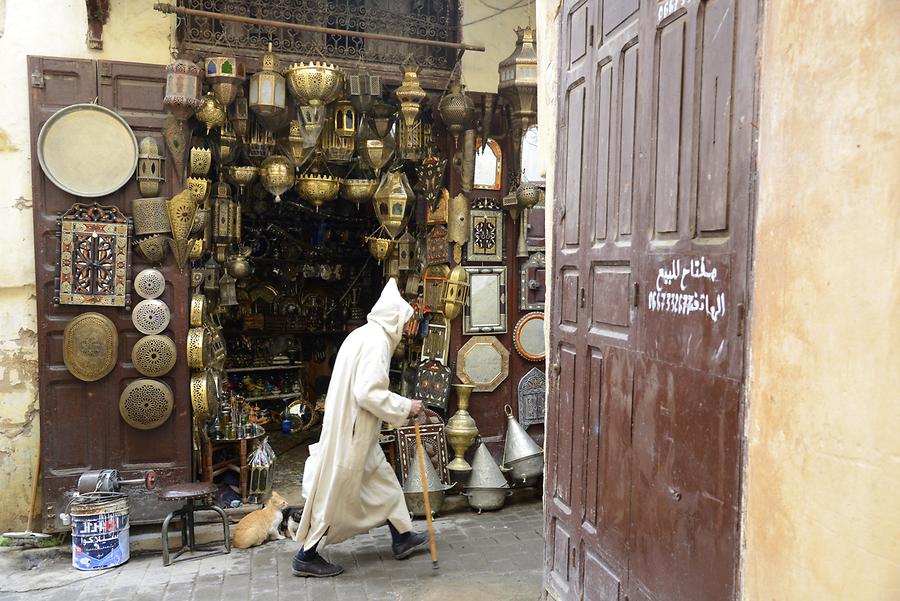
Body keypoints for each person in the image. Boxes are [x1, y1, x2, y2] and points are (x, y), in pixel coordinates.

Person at [291, 278, 428, 577]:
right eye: (405, 323)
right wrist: (406, 406)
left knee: (385, 482)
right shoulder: (377, 342)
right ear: (394, 318)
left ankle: (402, 536)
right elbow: (368, 392)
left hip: (356, 429)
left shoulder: (362, 335)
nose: (406, 331)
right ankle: (307, 554)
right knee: (335, 492)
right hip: (354, 432)